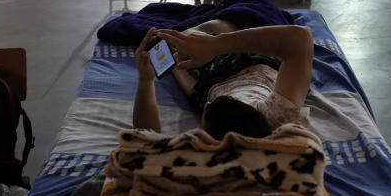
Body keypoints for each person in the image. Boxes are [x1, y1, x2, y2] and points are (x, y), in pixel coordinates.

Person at [132, 20, 314, 140]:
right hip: (261, 66)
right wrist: (215, 45)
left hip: (211, 85)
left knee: (198, 36)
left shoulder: (196, 154)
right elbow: (302, 38)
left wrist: (146, 80)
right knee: (215, 30)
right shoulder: (279, 122)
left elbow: (147, 141)